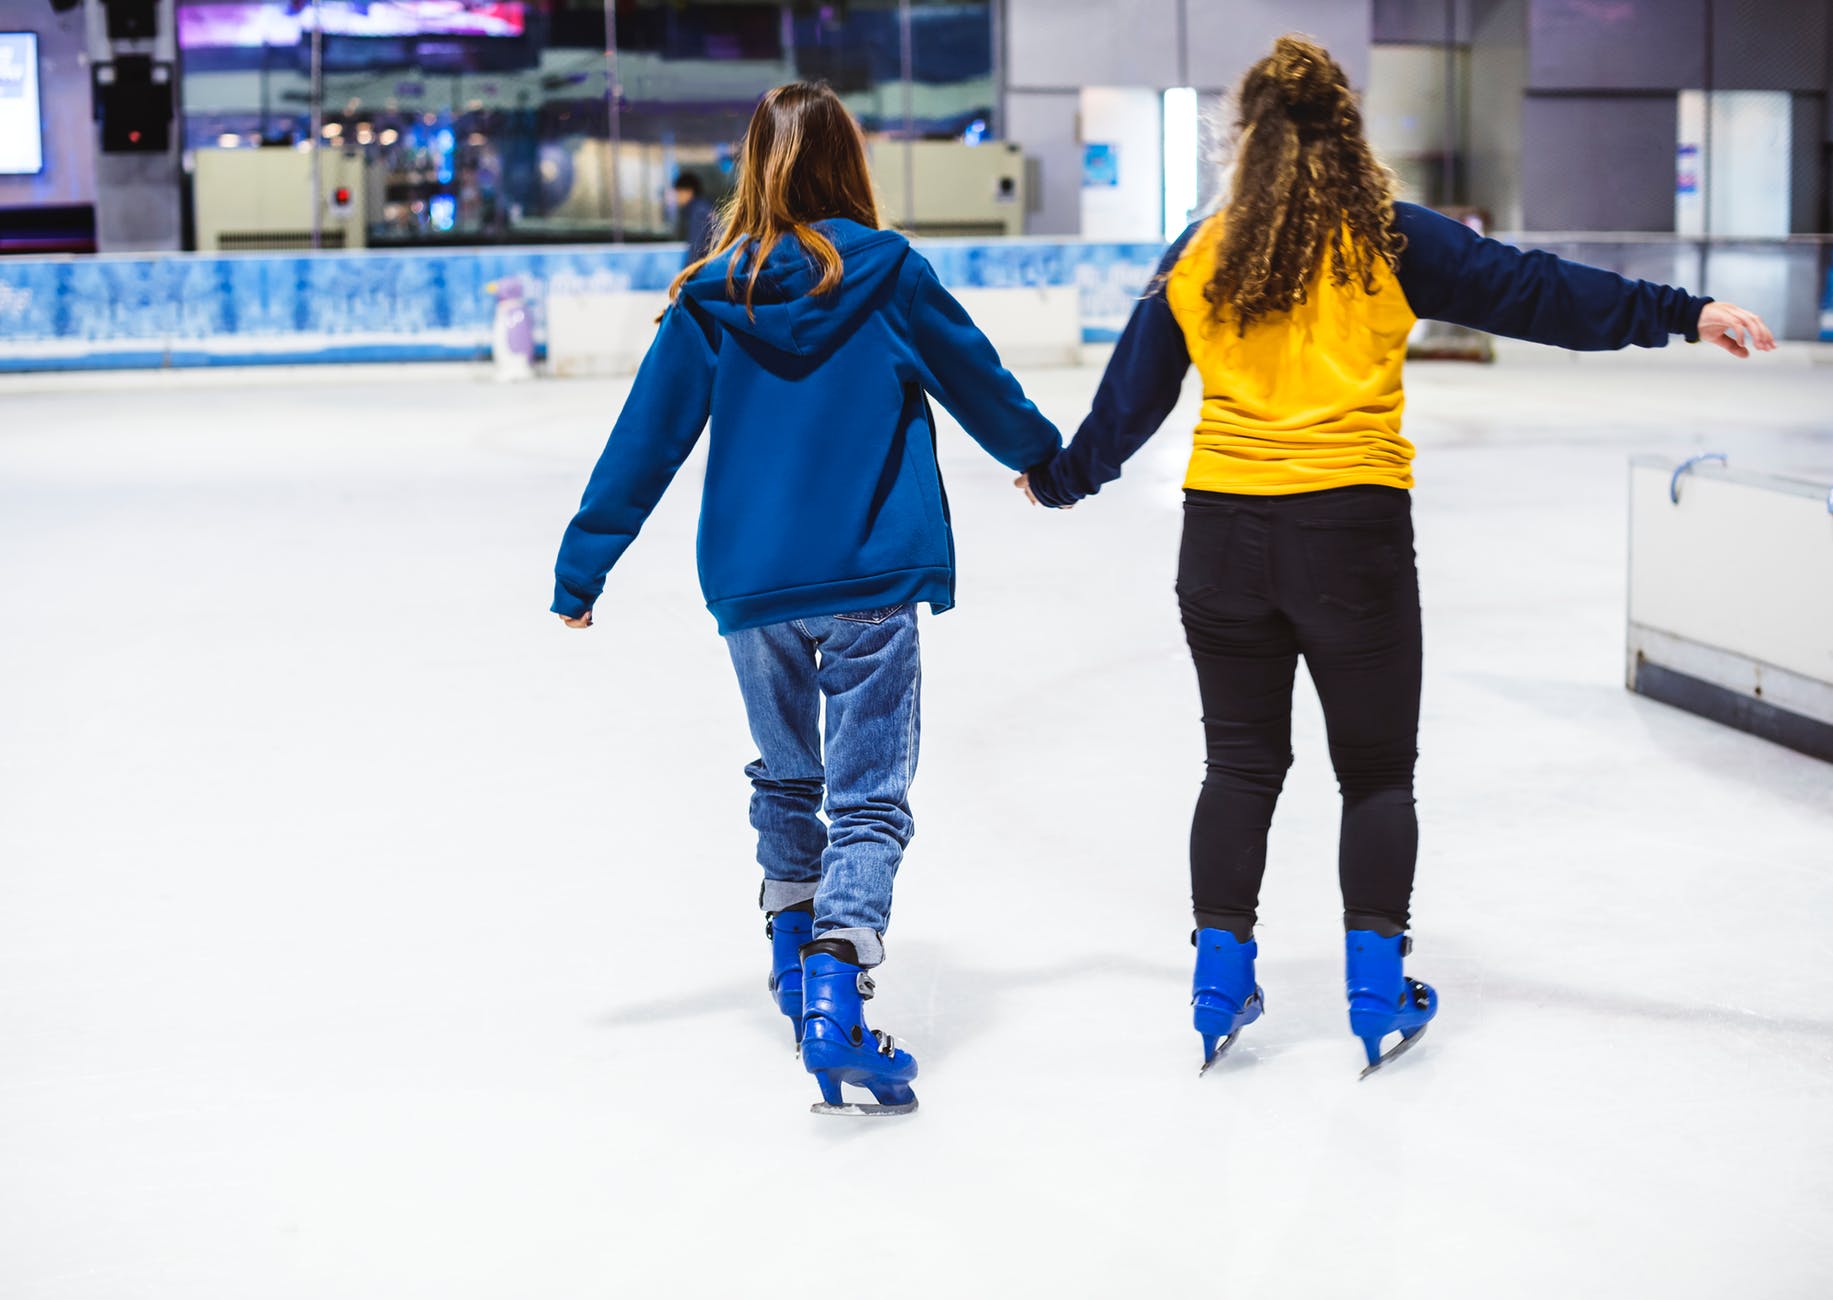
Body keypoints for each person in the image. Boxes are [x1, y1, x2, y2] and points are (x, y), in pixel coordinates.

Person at [1018, 35, 1775, 1078]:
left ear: (1245, 138)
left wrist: (1059, 478)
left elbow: (1125, 408)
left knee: (1240, 766)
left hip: (1223, 541)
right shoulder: (1387, 239)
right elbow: (1536, 291)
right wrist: (1681, 312)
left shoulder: (1200, 252)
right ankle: (1376, 990)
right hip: (1351, 539)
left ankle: (1216, 981)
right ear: (1346, 131)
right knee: (1375, 774)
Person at [553, 82, 1061, 1115]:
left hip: (754, 586)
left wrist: (584, 563)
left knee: (789, 778)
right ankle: (837, 986)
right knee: (866, 796)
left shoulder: (711, 295)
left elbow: (644, 442)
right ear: (849, 161)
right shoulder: (890, 276)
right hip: (870, 575)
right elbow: (980, 383)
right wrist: (1044, 460)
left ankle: (794, 966)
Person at [672, 172, 717, 266]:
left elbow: (696, 249)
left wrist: (686, 275)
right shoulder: (703, 208)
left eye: (679, 193)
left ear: (689, 192)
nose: (677, 198)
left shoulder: (699, 213)